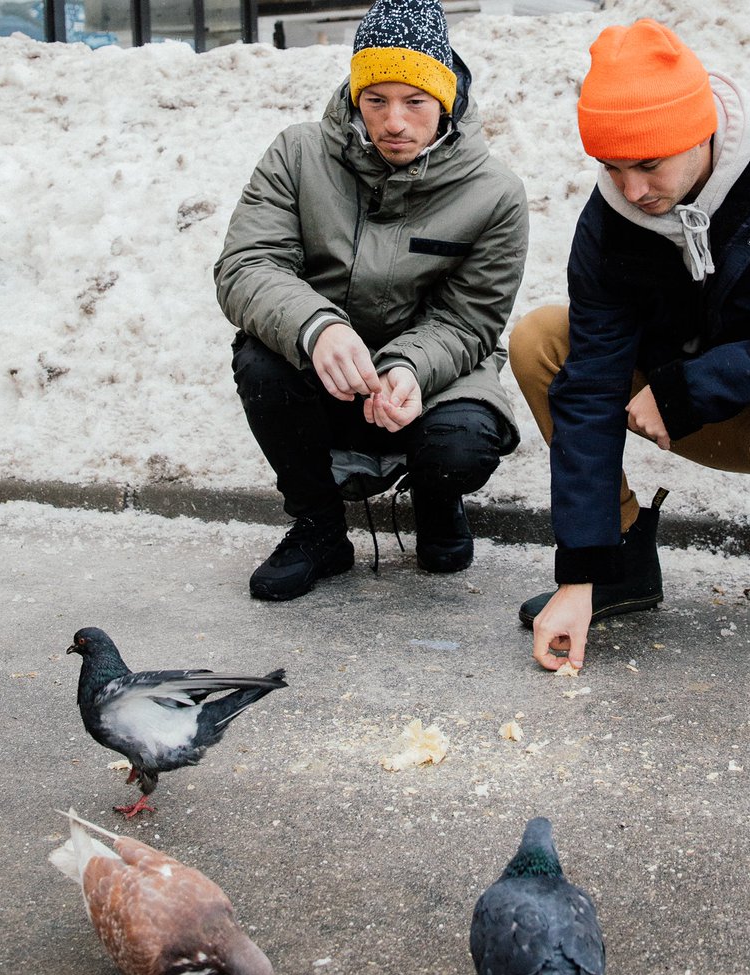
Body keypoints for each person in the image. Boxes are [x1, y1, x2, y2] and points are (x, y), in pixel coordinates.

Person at [510, 18, 750, 670]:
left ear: (698, 133)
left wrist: (687, 389)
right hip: (681, 404)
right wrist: (580, 573)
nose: (630, 190)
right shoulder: (612, 217)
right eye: (611, 167)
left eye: (647, 164)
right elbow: (590, 388)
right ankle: (623, 558)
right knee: (541, 340)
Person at [215, 0, 529, 601]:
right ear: (354, 96)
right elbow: (246, 265)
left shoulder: (495, 193)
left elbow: (469, 321)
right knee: (260, 361)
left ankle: (437, 500)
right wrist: (315, 327)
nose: (394, 122)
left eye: (415, 102)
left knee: (461, 446)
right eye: (376, 99)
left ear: (447, 100)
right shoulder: (298, 154)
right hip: (327, 372)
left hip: (433, 379)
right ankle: (319, 528)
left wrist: (408, 365)